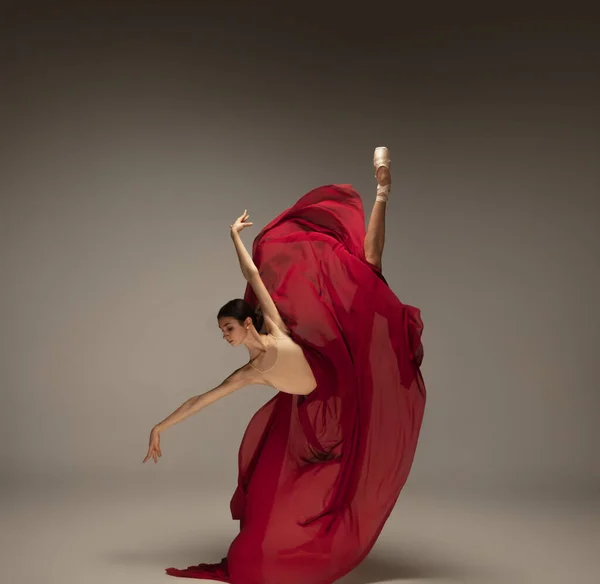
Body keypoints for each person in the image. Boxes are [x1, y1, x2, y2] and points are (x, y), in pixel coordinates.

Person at [143, 147, 427, 584]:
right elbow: (203, 398)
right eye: (222, 332)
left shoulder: (274, 328)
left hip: (343, 379)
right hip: (318, 418)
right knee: (284, 507)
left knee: (368, 273)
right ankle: (307, 550)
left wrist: (234, 236)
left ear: (246, 322)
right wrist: (161, 426)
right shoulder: (250, 371)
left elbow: (255, 274)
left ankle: (383, 189)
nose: (225, 337)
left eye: (227, 328)